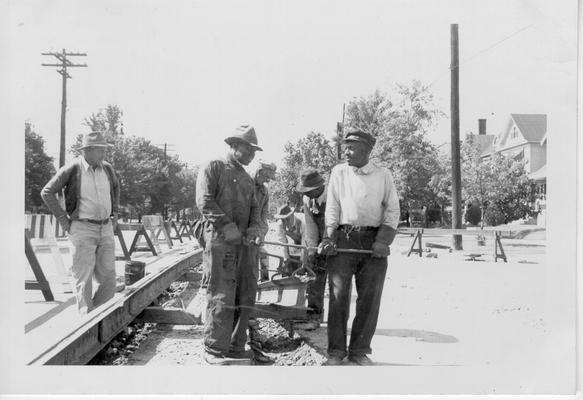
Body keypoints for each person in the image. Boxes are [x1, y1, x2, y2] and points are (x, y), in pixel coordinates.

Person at [319, 129, 400, 366]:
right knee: (337, 297)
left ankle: (359, 351)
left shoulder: (383, 175)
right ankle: (335, 352)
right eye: (345, 146)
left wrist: (382, 241)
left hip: (373, 242)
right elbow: (332, 207)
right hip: (344, 239)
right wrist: (329, 238)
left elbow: (393, 209)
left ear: (367, 151)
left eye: (352, 147)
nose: (346, 151)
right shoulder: (339, 172)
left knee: (369, 299)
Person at [196, 124, 263, 364]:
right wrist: (227, 227)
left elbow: (256, 209)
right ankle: (215, 348)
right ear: (235, 146)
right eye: (249, 149)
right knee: (221, 293)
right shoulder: (213, 167)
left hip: (244, 244)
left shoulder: (246, 178)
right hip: (220, 241)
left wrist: (255, 229)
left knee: (245, 293)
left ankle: (236, 346)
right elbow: (204, 201)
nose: (253, 155)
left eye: (254, 150)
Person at [41, 131, 120, 314]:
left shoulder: (107, 168)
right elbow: (47, 192)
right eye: (101, 150)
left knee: (109, 279)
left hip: (105, 228)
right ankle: (87, 325)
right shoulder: (72, 169)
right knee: (83, 280)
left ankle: (97, 318)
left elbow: (115, 187)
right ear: (88, 150)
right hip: (82, 229)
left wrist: (115, 214)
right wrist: (63, 219)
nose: (104, 154)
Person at [295, 169, 328, 330]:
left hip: (337, 241)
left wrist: (329, 241)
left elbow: (337, 222)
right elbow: (310, 226)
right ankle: (314, 317)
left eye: (309, 190)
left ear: (318, 187)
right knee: (314, 280)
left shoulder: (333, 196)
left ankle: (337, 321)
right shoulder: (307, 199)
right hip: (319, 243)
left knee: (339, 285)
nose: (307, 194)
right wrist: (312, 250)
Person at [252, 161, 277, 282]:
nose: (268, 181)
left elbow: (263, 216)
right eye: (267, 177)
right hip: (240, 231)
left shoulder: (264, 192)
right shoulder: (243, 185)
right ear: (259, 172)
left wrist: (261, 234)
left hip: (256, 232)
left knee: (263, 254)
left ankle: (264, 282)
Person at [274, 204, 305, 276]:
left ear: (292, 215)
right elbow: (283, 244)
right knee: (287, 271)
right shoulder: (280, 225)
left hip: (305, 250)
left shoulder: (303, 221)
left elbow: (305, 243)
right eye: (282, 220)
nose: (285, 222)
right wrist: (286, 260)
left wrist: (303, 263)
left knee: (305, 273)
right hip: (292, 252)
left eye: (287, 219)